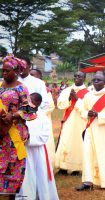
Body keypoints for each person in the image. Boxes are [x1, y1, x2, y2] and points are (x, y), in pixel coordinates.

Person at [0, 55, 36, 197]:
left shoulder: (21, 88)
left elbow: (30, 109)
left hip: (14, 133)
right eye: (2, 71)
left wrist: (13, 115)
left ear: (15, 72)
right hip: (0, 131)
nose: (3, 73)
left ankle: (11, 195)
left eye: (6, 71)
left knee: (12, 164)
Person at [76, 73, 105, 190]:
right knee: (87, 153)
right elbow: (82, 110)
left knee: (103, 154)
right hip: (90, 128)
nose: (96, 82)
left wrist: (98, 114)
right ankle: (87, 182)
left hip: (104, 130)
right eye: (94, 80)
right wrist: (87, 114)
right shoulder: (88, 96)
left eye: (99, 80)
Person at [17, 93, 59, 200]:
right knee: (26, 175)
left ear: (37, 104)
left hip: (37, 151)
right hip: (23, 150)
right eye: (28, 100)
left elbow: (45, 135)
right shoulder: (20, 113)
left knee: (40, 175)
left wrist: (29, 137)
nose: (28, 102)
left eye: (31, 101)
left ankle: (40, 196)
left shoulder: (42, 117)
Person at [55, 71, 89, 175]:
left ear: (84, 78)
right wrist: (69, 98)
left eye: (80, 76)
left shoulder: (88, 92)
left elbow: (88, 107)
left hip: (80, 120)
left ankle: (76, 168)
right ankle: (63, 167)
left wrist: (77, 99)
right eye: (75, 76)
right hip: (69, 120)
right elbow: (60, 104)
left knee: (78, 142)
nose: (77, 77)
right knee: (65, 140)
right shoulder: (67, 90)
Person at [30, 68, 56, 166]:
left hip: (40, 120)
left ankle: (46, 165)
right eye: (30, 75)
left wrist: (37, 113)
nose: (31, 77)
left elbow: (50, 105)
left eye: (34, 75)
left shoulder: (46, 90)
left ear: (40, 77)